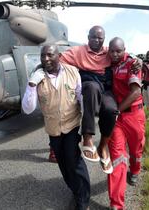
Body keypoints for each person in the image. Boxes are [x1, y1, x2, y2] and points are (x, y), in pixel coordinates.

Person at [59, 25, 140, 172]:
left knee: (111, 110)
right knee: (91, 87)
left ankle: (103, 146)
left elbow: (124, 54)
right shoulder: (77, 51)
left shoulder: (109, 51)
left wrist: (137, 59)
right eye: (93, 37)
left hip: (105, 86)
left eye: (100, 38)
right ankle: (88, 137)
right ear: (88, 37)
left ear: (104, 40)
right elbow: (57, 60)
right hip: (88, 83)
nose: (97, 40)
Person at [22, 45, 90, 209]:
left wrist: (87, 127)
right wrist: (32, 84)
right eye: (43, 55)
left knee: (73, 161)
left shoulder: (73, 71)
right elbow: (28, 108)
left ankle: (83, 199)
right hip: (53, 129)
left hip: (71, 124)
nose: (46, 59)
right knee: (63, 164)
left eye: (50, 55)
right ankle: (75, 189)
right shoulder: (37, 77)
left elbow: (80, 96)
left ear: (59, 56)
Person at [107, 37, 145, 209]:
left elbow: (136, 92)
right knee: (117, 158)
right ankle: (116, 204)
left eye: (118, 51)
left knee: (136, 150)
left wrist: (117, 111)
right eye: (112, 51)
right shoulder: (107, 62)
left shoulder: (132, 63)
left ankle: (135, 170)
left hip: (133, 116)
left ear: (125, 50)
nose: (114, 54)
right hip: (117, 120)